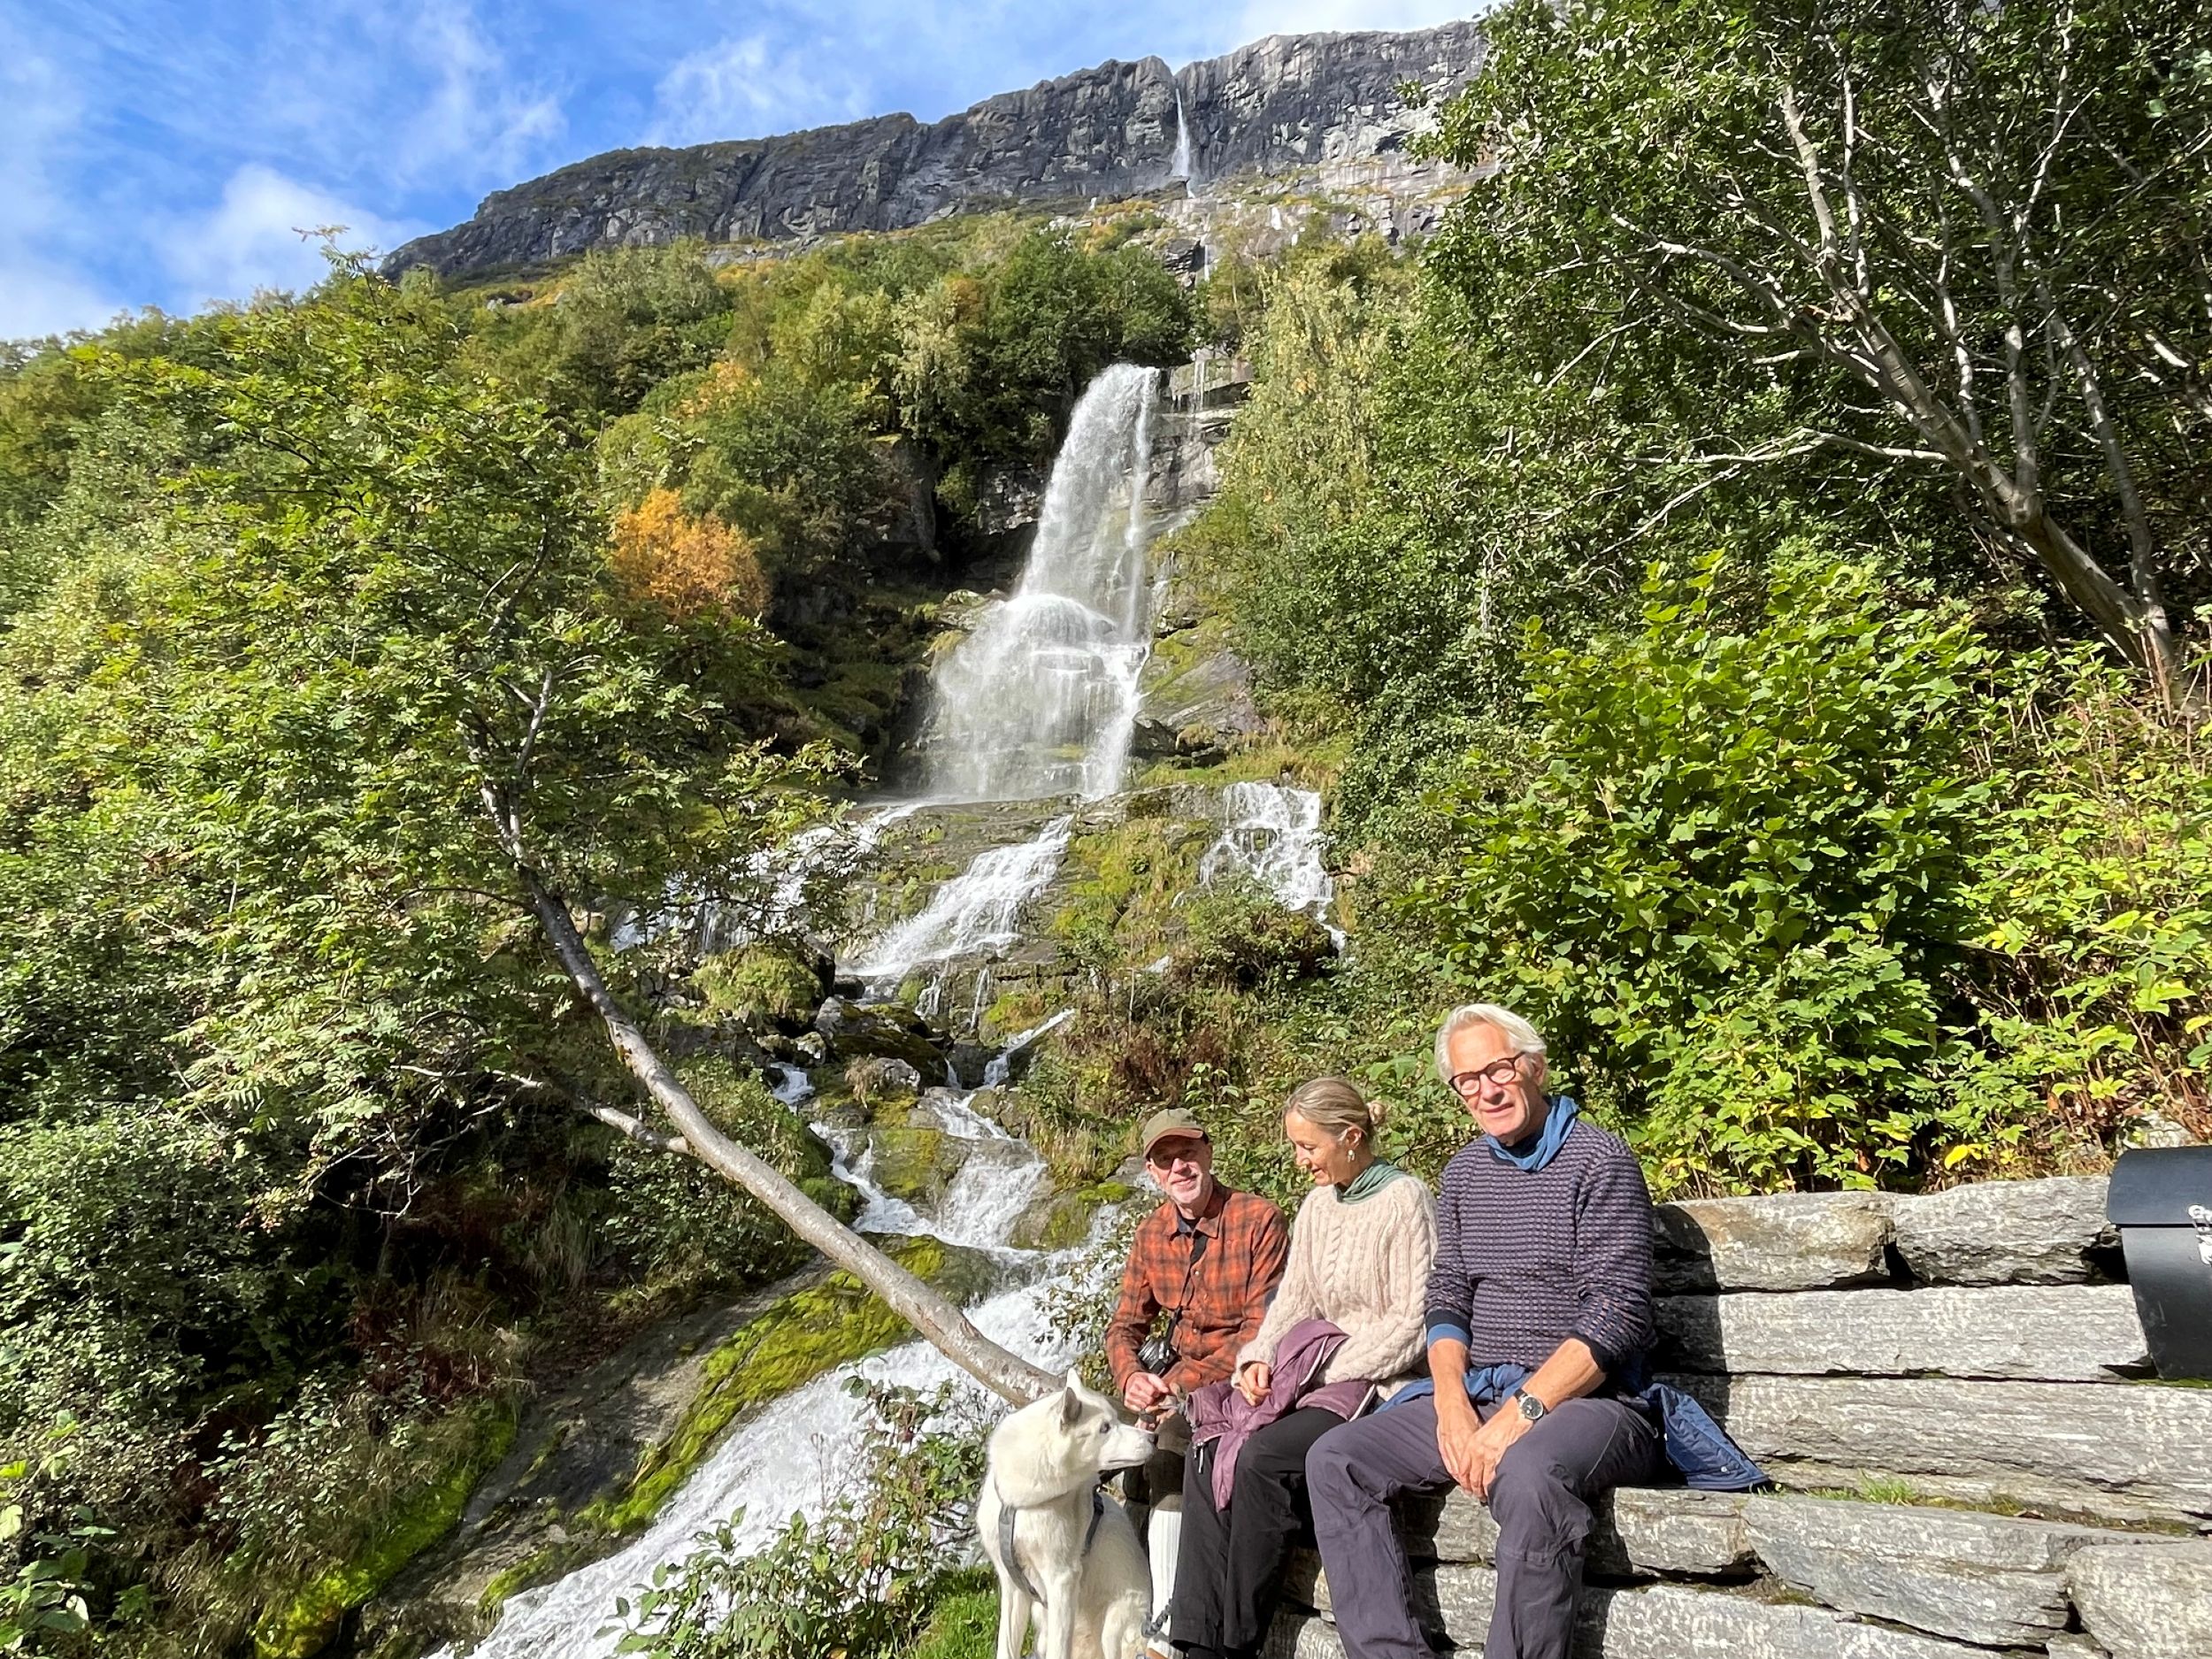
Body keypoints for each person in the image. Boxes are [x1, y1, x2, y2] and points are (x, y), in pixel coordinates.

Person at [1304, 1004, 1763, 1659]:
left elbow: (1616, 1315)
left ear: (1533, 1066)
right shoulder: (1464, 1173)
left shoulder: (1600, 1161)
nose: (1486, 1089)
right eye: (1468, 1079)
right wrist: (1452, 1403)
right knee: (1336, 1458)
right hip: (1483, 1388)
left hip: (1598, 1403)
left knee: (1527, 1471)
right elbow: (1448, 1296)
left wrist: (1518, 1413)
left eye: (1498, 1068)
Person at [1172, 1078, 1436, 1659]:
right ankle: (1195, 1639)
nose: (1299, 1161)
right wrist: (1260, 1357)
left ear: (1351, 1137)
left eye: (1307, 1147)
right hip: (1314, 1379)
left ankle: (1237, 1642)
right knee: (1210, 1441)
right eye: (1295, 1147)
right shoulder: (1318, 1206)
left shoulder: (1406, 1200)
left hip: (1379, 1386)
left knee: (1265, 1458)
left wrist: (1322, 1367)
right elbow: (1292, 1303)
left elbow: (1413, 1324)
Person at [1105, 1107, 1291, 1652]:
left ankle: (1166, 1628)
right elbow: (1124, 1326)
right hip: (1171, 1382)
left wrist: (1180, 1389)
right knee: (1088, 1433)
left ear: (1208, 1154)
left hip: (1241, 1379)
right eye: (1166, 1159)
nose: (1180, 1166)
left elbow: (1263, 1333)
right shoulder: (1151, 1232)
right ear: (1153, 1173)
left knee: (1171, 1439)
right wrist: (1133, 1376)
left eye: (1188, 1152)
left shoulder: (1258, 1219)